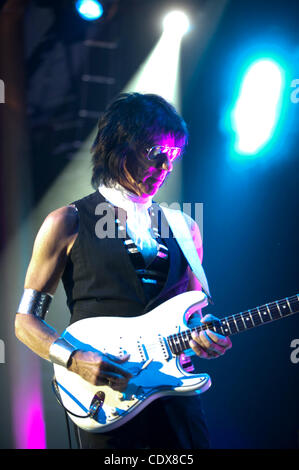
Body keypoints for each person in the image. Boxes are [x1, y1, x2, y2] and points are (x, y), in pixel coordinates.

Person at [15, 92, 232, 449]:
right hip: (105, 400)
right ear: (118, 146)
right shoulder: (67, 222)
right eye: (155, 153)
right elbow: (24, 322)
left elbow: (194, 319)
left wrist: (204, 338)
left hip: (175, 400)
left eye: (173, 156)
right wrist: (73, 358)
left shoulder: (185, 228)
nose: (166, 167)